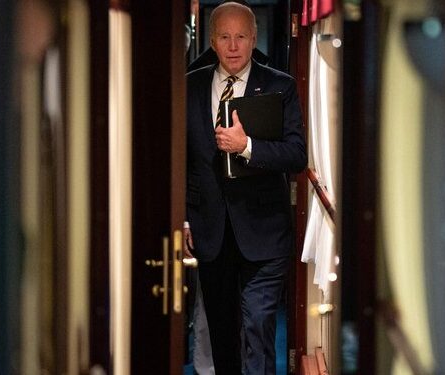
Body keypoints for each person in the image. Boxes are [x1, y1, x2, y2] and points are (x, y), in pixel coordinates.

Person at [184, 2, 306, 374]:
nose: (233, 46)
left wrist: (247, 147)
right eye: (224, 37)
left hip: (264, 231)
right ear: (212, 40)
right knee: (222, 335)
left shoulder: (279, 86)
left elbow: (296, 154)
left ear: (254, 39)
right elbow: (180, 160)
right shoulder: (190, 84)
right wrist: (184, 219)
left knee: (258, 328)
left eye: (241, 37)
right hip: (210, 231)